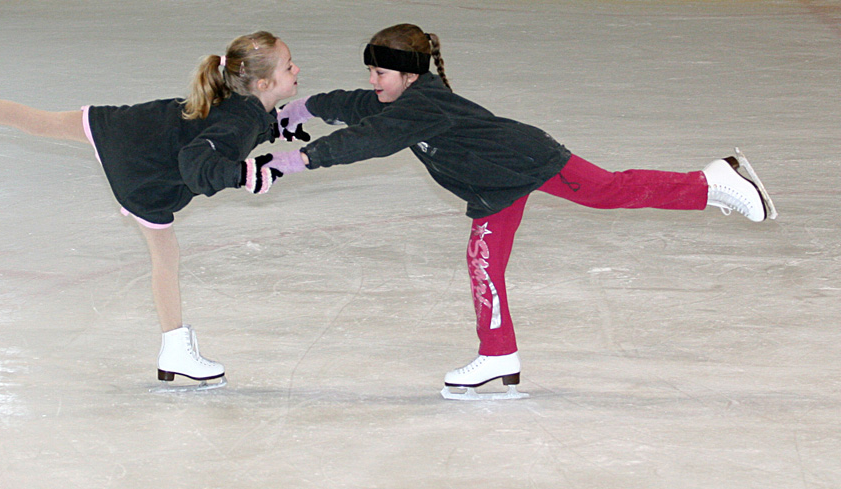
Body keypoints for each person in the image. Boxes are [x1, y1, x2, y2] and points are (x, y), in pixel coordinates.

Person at [263, 23, 777, 400]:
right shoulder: (402, 98)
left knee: (608, 191)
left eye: (380, 72)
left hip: (525, 160)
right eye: (372, 71)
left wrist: (292, 161)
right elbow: (356, 106)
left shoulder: (422, 105)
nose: (374, 81)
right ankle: (498, 355)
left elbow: (365, 141)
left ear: (409, 74)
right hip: (495, 186)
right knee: (483, 264)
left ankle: (711, 181)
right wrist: (298, 111)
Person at [0, 31, 299, 389]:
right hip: (145, 165)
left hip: (130, 129)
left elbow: (239, 127)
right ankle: (173, 348)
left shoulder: (239, 104)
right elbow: (203, 161)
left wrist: (276, 130)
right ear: (262, 82)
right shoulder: (243, 118)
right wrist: (245, 175)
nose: (296, 69)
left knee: (41, 123)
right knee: (165, 258)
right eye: (289, 66)